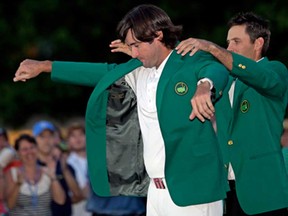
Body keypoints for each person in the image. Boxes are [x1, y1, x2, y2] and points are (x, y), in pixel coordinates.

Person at [13, 4, 230, 216]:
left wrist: (205, 85)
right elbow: (101, 73)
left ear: (158, 35)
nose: (133, 53)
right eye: (130, 46)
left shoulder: (188, 60)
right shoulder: (137, 70)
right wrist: (45, 66)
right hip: (155, 193)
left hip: (194, 191)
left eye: (137, 45)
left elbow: (216, 68)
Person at [174, 11, 288, 215]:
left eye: (236, 41)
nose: (229, 48)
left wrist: (211, 48)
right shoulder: (224, 80)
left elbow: (258, 76)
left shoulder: (275, 71)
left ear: (258, 43)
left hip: (265, 192)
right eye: (227, 42)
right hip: (227, 192)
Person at [5, 134, 65, 216]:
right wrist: (18, 184)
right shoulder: (12, 173)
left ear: (37, 149)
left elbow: (60, 200)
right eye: (24, 149)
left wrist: (53, 177)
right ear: (18, 153)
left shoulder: (47, 171)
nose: (29, 152)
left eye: (32, 147)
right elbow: (9, 205)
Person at [33, 120, 82, 216]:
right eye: (42, 136)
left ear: (55, 138)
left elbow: (77, 195)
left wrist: (64, 169)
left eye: (50, 136)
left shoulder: (64, 165)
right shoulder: (30, 165)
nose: (46, 140)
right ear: (35, 139)